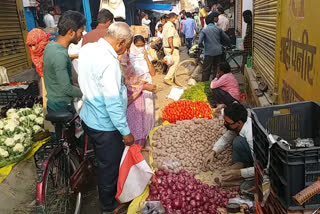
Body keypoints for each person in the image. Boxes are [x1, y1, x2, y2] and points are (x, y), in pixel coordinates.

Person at [78, 22, 134, 213]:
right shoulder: (109, 63)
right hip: (104, 125)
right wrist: (126, 132)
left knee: (103, 160)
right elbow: (112, 103)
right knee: (109, 165)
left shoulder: (87, 49)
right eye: (126, 47)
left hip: (88, 117)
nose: (124, 51)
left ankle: (103, 188)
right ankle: (108, 204)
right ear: (120, 43)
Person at [43, 10, 85, 113]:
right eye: (80, 32)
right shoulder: (59, 55)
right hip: (61, 105)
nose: (82, 36)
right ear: (71, 32)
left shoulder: (51, 46)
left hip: (54, 101)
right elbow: (67, 89)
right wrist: (88, 93)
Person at [204, 103, 254, 183]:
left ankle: (244, 170)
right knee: (238, 140)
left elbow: (262, 168)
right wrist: (213, 152)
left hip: (261, 163)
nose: (225, 124)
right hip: (251, 153)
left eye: (228, 123)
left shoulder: (251, 136)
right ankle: (240, 164)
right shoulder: (238, 126)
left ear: (239, 123)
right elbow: (226, 138)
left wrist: (239, 173)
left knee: (244, 186)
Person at [123, 35, 156, 146]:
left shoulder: (146, 56)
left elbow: (153, 73)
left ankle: (147, 135)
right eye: (138, 46)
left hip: (146, 88)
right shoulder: (129, 58)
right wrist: (142, 86)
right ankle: (137, 141)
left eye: (142, 46)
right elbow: (129, 79)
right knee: (138, 114)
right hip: (136, 91)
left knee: (149, 112)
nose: (140, 48)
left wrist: (146, 58)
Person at [199, 12, 231, 82]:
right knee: (216, 70)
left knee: (206, 70)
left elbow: (200, 41)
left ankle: (204, 84)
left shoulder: (204, 30)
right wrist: (229, 45)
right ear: (213, 21)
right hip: (218, 52)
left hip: (208, 53)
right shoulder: (218, 29)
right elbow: (227, 39)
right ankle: (215, 84)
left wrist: (201, 45)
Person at [26, 29, 49, 107]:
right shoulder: (34, 55)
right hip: (43, 82)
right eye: (30, 46)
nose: (33, 49)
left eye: (34, 45)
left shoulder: (51, 53)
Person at [162, 12, 181, 85]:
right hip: (171, 47)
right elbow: (170, 37)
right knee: (175, 62)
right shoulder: (170, 26)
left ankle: (172, 78)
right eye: (176, 18)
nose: (176, 19)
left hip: (167, 47)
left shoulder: (166, 25)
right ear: (173, 17)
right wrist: (172, 47)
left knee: (171, 63)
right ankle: (167, 78)